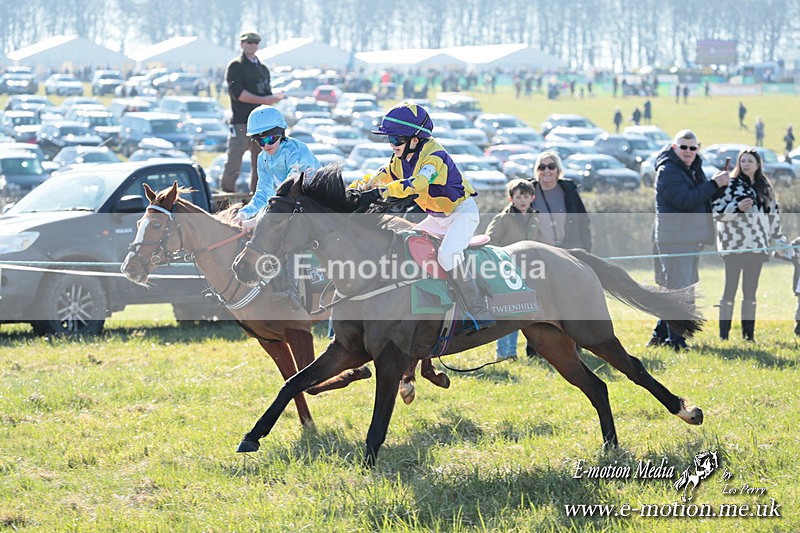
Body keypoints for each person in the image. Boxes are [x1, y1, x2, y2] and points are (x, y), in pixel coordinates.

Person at [349, 102, 495, 334]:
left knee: (447, 256)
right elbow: (378, 177)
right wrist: (354, 190)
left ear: (415, 139)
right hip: (437, 218)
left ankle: (479, 310)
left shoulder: (434, 157)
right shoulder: (399, 159)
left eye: (396, 140)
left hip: (461, 215)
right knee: (405, 242)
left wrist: (380, 193)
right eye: (390, 140)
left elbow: (418, 184)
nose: (392, 145)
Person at [650, 129, 730, 350]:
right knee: (679, 290)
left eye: (692, 148)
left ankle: (660, 335)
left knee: (678, 288)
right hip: (674, 240)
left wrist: (719, 187)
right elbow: (685, 200)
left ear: (697, 148)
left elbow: (700, 198)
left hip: (688, 239)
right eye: (683, 147)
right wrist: (713, 185)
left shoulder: (692, 169)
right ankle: (675, 340)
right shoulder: (668, 171)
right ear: (674, 148)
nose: (688, 151)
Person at [712, 148, 793, 341]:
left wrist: (779, 241)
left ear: (758, 164)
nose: (746, 164)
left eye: (750, 161)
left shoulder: (765, 187)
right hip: (734, 247)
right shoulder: (729, 185)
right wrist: (737, 208)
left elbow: (774, 217)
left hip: (757, 247)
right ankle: (724, 336)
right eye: (743, 161)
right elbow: (717, 212)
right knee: (729, 289)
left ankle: (749, 335)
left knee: (750, 291)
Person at [234, 105, 320, 227]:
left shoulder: (296, 151)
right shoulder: (262, 159)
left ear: (281, 132)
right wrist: (243, 214)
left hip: (319, 210)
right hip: (296, 209)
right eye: (260, 141)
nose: (266, 145)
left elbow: (291, 193)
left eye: (270, 138)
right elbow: (264, 193)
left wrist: (258, 220)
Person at [220, 32, 285, 194]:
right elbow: (239, 94)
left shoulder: (262, 69)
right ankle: (226, 196)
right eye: (248, 42)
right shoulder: (236, 66)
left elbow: (266, 93)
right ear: (241, 44)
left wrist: (273, 98)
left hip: (261, 125)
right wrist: (267, 99)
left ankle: (257, 196)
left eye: (255, 42)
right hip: (242, 122)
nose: (252, 45)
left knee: (261, 163)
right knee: (234, 162)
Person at [486, 179, 538, 360]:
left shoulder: (535, 218)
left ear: (532, 197)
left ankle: (522, 352)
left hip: (530, 272)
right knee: (507, 314)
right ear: (511, 199)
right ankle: (504, 353)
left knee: (522, 313)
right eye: (518, 197)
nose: (522, 200)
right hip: (506, 273)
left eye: (525, 196)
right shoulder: (502, 218)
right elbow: (490, 241)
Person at [528, 150, 592, 252]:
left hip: (569, 252)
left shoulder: (569, 191)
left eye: (551, 166)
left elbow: (583, 222)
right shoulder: (527, 193)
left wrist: (586, 250)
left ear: (558, 170)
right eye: (542, 167)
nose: (546, 171)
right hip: (539, 254)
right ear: (537, 170)